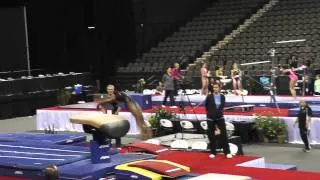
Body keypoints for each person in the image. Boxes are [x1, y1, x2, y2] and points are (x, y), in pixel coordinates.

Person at [205, 83, 232, 159]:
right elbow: (206, 106)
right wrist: (211, 114)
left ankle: (227, 152)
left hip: (220, 118)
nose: (215, 89)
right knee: (211, 136)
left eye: (216, 87)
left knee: (224, 135)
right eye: (214, 87)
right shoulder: (209, 96)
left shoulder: (222, 97)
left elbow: (222, 106)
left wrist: (217, 113)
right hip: (210, 118)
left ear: (219, 88)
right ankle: (213, 152)